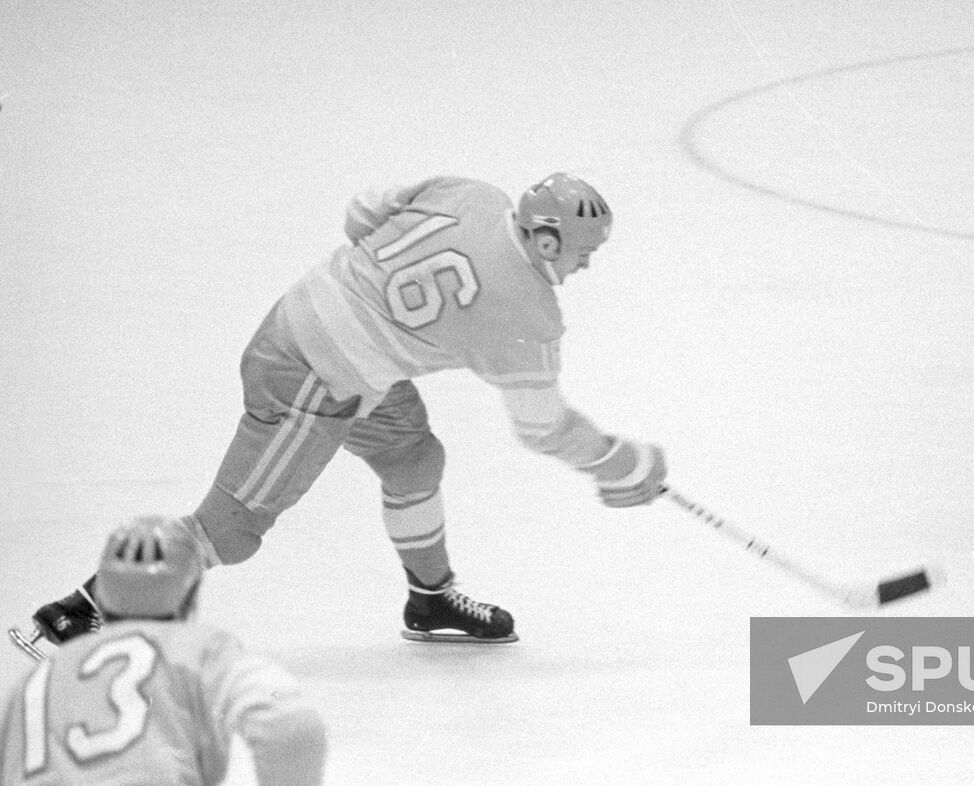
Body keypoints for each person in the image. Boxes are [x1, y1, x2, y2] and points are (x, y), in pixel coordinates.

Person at [26, 173, 667, 647]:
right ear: (549, 242)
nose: (586, 264)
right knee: (233, 528)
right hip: (312, 378)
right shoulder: (528, 316)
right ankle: (86, 606)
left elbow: (360, 214)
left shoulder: (469, 193)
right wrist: (617, 463)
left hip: (319, 341)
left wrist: (383, 308)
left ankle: (431, 599)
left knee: (413, 457)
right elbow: (543, 428)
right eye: (585, 250)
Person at [0, 516, 339, 786]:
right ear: (190, 594)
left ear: (99, 593)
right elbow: (292, 727)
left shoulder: (36, 680)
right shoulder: (204, 652)